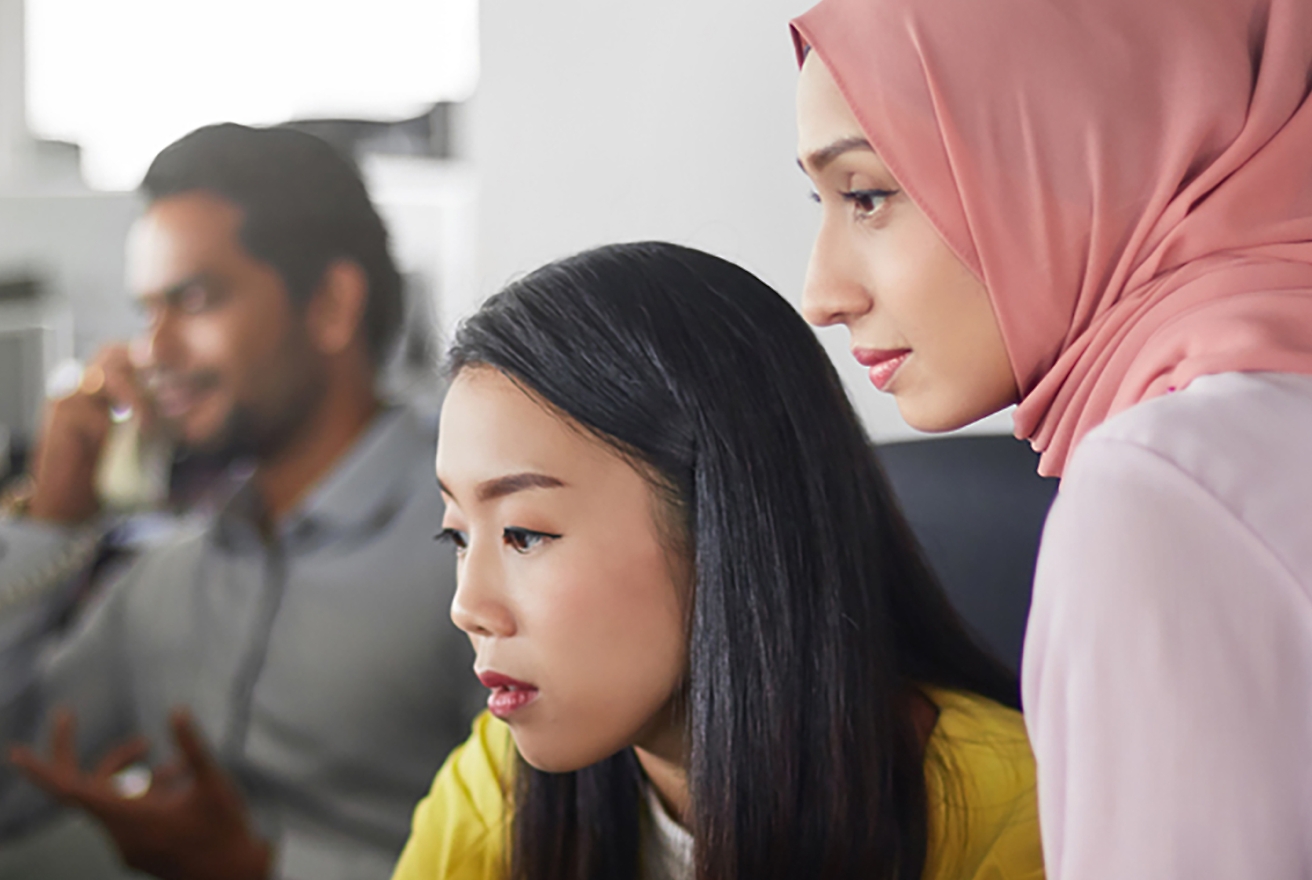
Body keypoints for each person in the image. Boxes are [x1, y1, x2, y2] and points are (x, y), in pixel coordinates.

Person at [790, 0, 1312, 877]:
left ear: (1069, 145)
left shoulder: (1160, 494)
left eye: (868, 195)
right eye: (821, 201)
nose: (822, 291)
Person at [391, 241, 1043, 880]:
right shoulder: (498, 786)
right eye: (457, 536)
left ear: (723, 521)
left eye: (524, 535)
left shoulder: (1021, 815)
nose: (467, 607)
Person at [0, 123, 482, 880]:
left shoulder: (477, 548)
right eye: (146, 310)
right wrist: (49, 522)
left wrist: (261, 869)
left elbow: (564, 851)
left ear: (329, 304)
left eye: (192, 300)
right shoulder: (169, 580)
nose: (152, 351)